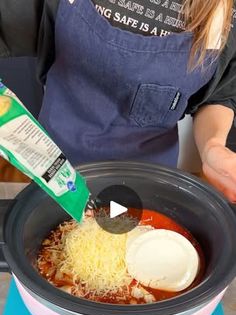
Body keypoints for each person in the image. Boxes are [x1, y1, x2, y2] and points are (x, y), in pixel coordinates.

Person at [0, 0, 236, 201]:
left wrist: (212, 146)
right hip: (54, 169)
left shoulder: (224, 10)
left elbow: (219, 93)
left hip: (148, 184)